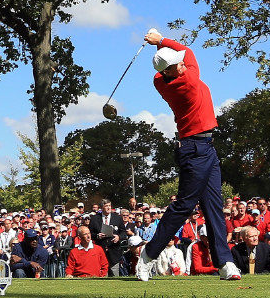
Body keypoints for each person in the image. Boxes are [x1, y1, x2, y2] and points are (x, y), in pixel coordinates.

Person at [135, 29, 242, 282]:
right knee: (184, 206)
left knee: (214, 206)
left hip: (204, 147)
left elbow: (176, 60)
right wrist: (160, 40)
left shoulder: (160, 81)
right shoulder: (189, 81)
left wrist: (160, 49)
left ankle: (225, 263)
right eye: (175, 64)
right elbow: (190, 52)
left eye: (180, 61)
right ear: (169, 72)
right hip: (195, 149)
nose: (182, 64)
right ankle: (148, 256)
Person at [88, 198, 124, 276]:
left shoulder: (117, 218)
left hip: (114, 251)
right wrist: (97, 236)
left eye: (109, 206)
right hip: (101, 251)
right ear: (102, 207)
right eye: (106, 206)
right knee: (103, 276)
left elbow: (123, 232)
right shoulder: (95, 219)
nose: (108, 208)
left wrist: (118, 237)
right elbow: (90, 234)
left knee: (115, 275)